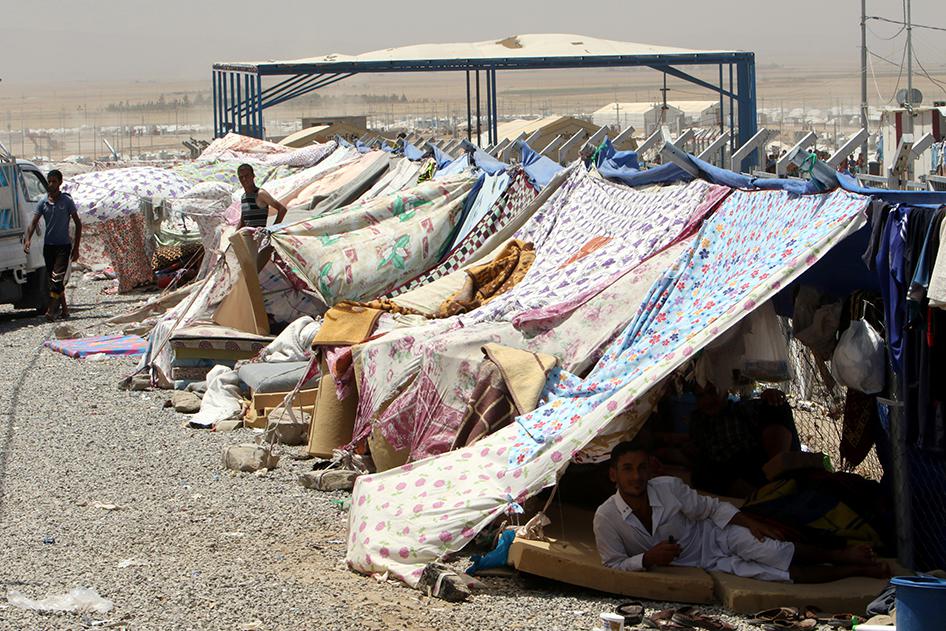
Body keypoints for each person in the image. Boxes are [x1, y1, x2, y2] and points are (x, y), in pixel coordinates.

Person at [593, 439, 890, 583]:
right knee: (778, 574)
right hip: (705, 562)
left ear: (650, 469)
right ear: (613, 475)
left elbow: (710, 508)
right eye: (627, 469)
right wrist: (646, 558)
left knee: (772, 550)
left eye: (641, 468)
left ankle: (839, 556)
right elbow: (612, 564)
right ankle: (853, 570)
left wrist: (748, 522)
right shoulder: (606, 517)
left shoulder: (668, 487)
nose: (636, 476)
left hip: (717, 536)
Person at [23, 169, 82, 321]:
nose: (51, 184)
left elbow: (78, 223)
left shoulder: (66, 201)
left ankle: (51, 310)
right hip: (48, 247)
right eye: (49, 181)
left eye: (54, 181)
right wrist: (28, 239)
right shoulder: (43, 202)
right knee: (54, 281)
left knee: (56, 280)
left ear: (60, 183)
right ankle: (65, 310)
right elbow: (33, 222)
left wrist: (76, 248)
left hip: (63, 246)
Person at [237, 164, 287, 229]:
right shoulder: (244, 197)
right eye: (241, 177)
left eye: (247, 176)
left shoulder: (260, 194)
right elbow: (243, 219)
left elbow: (282, 210)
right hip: (248, 237)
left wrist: (271, 230)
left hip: (260, 237)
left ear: (253, 176)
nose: (244, 179)